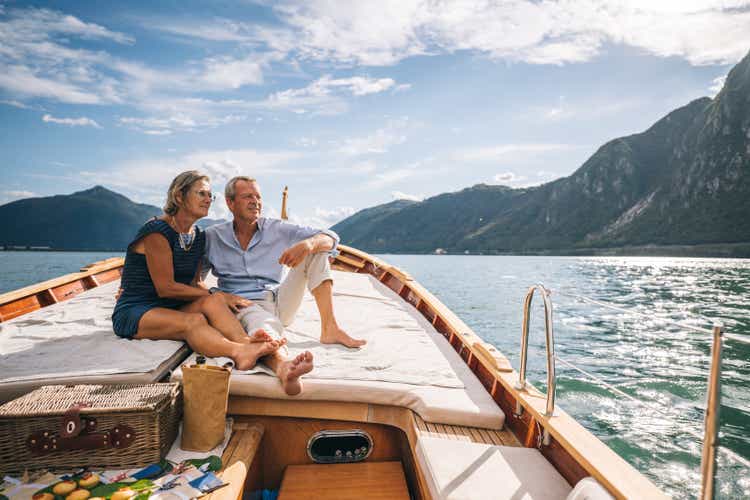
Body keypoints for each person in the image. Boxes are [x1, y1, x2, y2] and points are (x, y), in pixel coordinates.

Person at [111, 171, 300, 375]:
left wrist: (217, 298)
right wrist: (218, 294)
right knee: (196, 320)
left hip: (172, 306)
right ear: (179, 197)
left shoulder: (198, 236)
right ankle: (239, 352)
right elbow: (166, 288)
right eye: (201, 193)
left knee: (214, 302)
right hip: (138, 310)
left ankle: (248, 343)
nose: (208, 199)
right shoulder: (157, 231)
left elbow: (195, 283)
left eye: (211, 195)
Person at [201, 176, 366, 388]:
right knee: (264, 326)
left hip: (279, 300)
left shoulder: (276, 229)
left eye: (258, 197)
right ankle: (284, 365)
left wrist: (308, 243)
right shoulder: (212, 237)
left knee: (317, 251)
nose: (256, 201)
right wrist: (220, 295)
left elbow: (331, 238)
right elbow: (196, 281)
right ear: (230, 203)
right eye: (247, 196)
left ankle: (329, 328)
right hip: (244, 305)